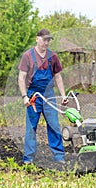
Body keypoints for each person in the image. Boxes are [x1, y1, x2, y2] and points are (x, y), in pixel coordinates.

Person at [18, 29, 68, 164]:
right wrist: (24, 96)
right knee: (31, 127)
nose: (46, 43)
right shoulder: (28, 56)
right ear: (37, 39)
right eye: (44, 39)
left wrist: (63, 95)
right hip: (34, 95)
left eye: (48, 40)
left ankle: (58, 156)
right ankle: (28, 157)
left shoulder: (53, 57)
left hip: (49, 95)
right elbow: (21, 77)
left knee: (54, 125)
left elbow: (58, 77)